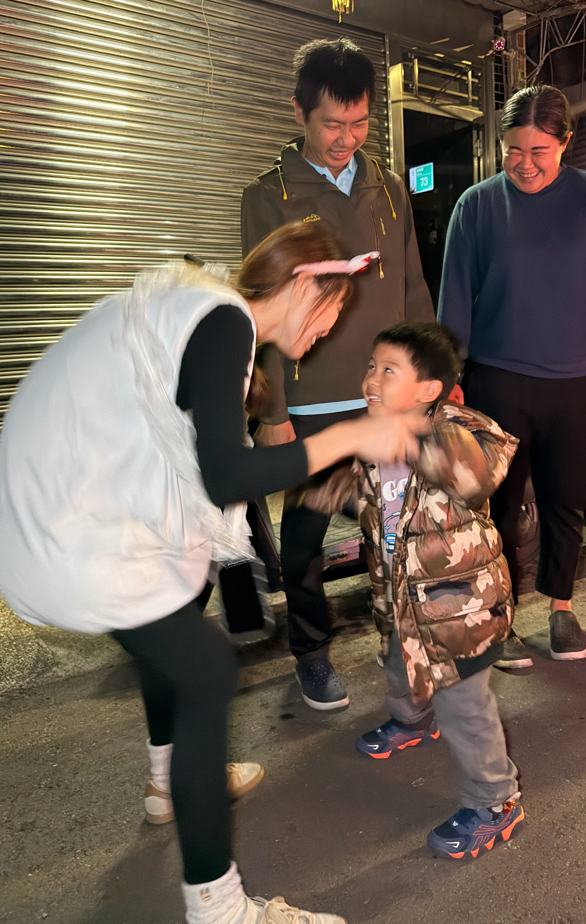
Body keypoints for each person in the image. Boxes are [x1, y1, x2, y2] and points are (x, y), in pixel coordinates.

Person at [0, 222, 428, 924]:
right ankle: (220, 908)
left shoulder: (205, 310)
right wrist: (352, 437)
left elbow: (185, 456)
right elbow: (226, 475)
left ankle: (169, 780)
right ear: (307, 286)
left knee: (181, 607)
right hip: (69, 528)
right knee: (205, 671)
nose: (329, 331)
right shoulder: (224, 321)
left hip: (59, 512)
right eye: (334, 311)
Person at [438, 84, 586, 668]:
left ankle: (561, 608)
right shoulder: (477, 206)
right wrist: (446, 376)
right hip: (498, 382)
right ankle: (501, 617)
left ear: (565, 142)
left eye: (539, 151)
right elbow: (455, 298)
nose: (525, 164)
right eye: (513, 150)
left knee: (566, 501)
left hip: (575, 383)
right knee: (499, 509)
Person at [242, 37, 433, 711]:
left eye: (359, 123)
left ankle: (402, 636)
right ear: (300, 112)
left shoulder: (388, 188)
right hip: (312, 404)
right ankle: (311, 651)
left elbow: (412, 286)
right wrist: (272, 413)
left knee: (397, 526)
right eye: (332, 124)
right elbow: (259, 309)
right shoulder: (268, 197)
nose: (346, 139)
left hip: (385, 398)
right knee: (306, 540)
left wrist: (428, 376)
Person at [306, 322, 525, 859]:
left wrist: (406, 436)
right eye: (371, 366)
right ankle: (412, 721)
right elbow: (355, 496)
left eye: (388, 369)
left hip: (460, 610)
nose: (371, 378)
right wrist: (311, 482)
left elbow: (473, 477)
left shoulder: (460, 431)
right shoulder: (370, 437)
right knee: (397, 663)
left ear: (428, 389)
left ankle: (495, 802)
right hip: (398, 598)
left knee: (464, 707)